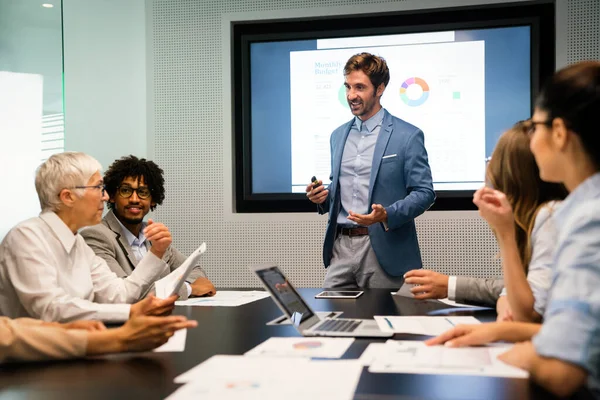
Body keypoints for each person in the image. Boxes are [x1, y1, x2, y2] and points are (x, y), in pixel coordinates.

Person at [426, 61, 600, 397]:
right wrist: (495, 334)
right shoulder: (576, 212)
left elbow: (564, 372)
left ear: (560, 133)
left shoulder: (586, 221)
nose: (531, 141)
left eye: (536, 127)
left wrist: (515, 354)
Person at [404, 122, 566, 318]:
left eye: (492, 160)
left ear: (510, 174)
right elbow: (513, 293)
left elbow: (525, 310)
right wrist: (505, 301)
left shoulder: (550, 216)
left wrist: (505, 234)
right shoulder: (540, 217)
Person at [0, 152, 179, 323]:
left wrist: (157, 251)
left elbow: (118, 295)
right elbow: (50, 309)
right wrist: (130, 312)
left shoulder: (77, 243)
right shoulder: (26, 238)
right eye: (98, 188)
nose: (106, 196)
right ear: (68, 197)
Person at [306, 52, 435, 288]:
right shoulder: (337, 135)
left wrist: (387, 214)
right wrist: (322, 198)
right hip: (340, 248)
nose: (351, 95)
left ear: (380, 89)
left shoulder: (407, 136)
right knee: (332, 322)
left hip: (384, 249)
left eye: (360, 87)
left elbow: (425, 192)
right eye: (347, 87)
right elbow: (342, 191)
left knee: (385, 322)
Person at [81, 155, 215, 299]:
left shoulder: (152, 237)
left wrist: (181, 286)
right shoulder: (96, 236)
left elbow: (196, 273)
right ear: (112, 196)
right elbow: (124, 293)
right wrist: (188, 289)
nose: (134, 199)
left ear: (153, 200)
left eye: (143, 192)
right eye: (126, 191)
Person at [0, 315, 196, 362]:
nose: (100, 207)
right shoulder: (28, 235)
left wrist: (58, 327)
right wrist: (120, 339)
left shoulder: (77, 240)